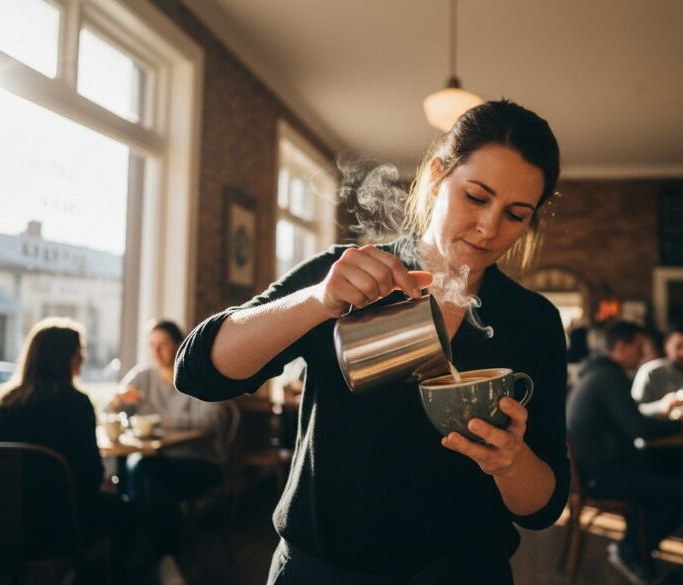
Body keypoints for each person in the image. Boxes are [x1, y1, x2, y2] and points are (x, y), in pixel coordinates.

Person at [176, 100, 569, 584]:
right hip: (323, 571)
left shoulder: (533, 321)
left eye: (515, 214)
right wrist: (318, 300)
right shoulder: (347, 273)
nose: (490, 228)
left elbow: (543, 506)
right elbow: (198, 373)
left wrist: (511, 462)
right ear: (435, 176)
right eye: (475, 197)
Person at [0, 317, 130, 580]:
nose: (83, 358)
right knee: (125, 511)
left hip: (5, 527)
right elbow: (90, 476)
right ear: (67, 358)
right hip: (63, 525)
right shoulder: (75, 404)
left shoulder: (4, 404)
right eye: (79, 352)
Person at [566, 320, 683, 584]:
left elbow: (630, 422)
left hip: (591, 473)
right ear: (621, 347)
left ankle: (638, 547)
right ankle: (631, 550)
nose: (643, 354)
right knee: (681, 494)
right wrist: (679, 425)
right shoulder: (608, 377)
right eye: (639, 347)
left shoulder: (594, 374)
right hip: (602, 477)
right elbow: (639, 429)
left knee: (668, 474)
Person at [108, 319, 230, 583]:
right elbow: (110, 413)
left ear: (178, 345)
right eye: (152, 346)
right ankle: (162, 556)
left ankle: (151, 556)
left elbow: (211, 421)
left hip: (201, 460)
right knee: (145, 470)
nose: (156, 352)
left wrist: (159, 419)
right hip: (157, 462)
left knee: (146, 474)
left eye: (162, 345)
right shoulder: (142, 376)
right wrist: (118, 402)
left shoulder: (197, 373)